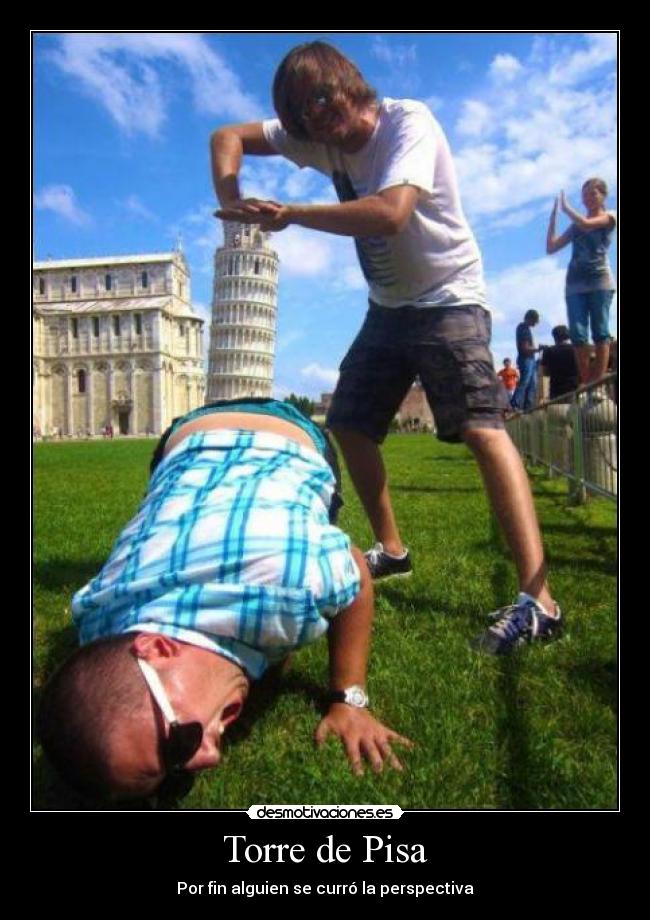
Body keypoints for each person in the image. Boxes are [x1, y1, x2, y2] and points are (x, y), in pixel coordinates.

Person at [210, 40, 562, 655]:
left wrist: (290, 212)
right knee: (348, 423)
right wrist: (231, 195)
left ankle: (540, 601)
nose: (317, 120)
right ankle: (393, 551)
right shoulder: (316, 138)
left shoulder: (409, 122)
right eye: (301, 115)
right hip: (388, 308)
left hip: (449, 296)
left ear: (349, 85)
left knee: (482, 429)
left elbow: (392, 213)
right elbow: (225, 134)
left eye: (322, 100)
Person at [37, 398, 413, 801]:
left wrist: (347, 697)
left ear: (158, 647)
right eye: (177, 771)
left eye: (180, 742)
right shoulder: (97, 619)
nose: (208, 758)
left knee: (310, 518)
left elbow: (354, 570)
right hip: (182, 444)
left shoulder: (290, 592)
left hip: (289, 438)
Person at [546, 180, 617, 385]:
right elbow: (551, 247)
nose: (588, 199)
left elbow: (587, 224)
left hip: (599, 281)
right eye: (585, 195)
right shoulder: (576, 224)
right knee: (578, 334)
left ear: (603, 195)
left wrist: (567, 208)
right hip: (575, 284)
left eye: (592, 194)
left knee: (600, 331)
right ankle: (586, 383)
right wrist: (553, 217)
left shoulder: (611, 216)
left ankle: (598, 382)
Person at [511, 310, 541, 411]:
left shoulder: (525, 328)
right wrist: (538, 349)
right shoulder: (523, 328)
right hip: (526, 359)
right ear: (530, 318)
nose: (535, 324)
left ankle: (528, 407)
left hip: (530, 359)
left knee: (532, 384)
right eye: (535, 321)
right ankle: (515, 404)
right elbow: (525, 348)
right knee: (525, 381)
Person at [540, 325, 579, 402]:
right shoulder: (575, 349)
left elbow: (545, 372)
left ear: (554, 337)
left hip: (555, 392)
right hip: (573, 390)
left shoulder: (548, 351)